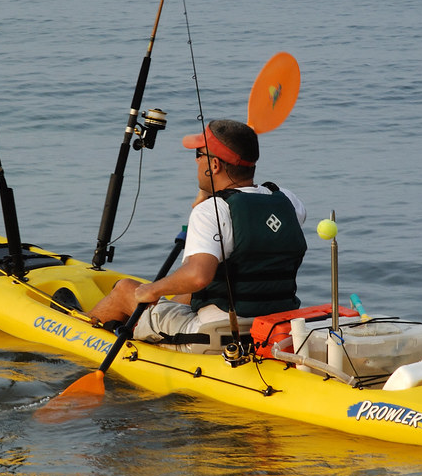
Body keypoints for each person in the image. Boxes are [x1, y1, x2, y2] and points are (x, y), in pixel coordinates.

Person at [89, 118, 307, 345]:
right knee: (190, 295)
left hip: (215, 334)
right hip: (273, 327)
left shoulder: (211, 211)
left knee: (125, 289)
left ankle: (80, 331)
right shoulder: (287, 200)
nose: (196, 162)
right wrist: (212, 194)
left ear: (214, 166)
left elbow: (198, 275)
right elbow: (251, 227)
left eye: (199, 155)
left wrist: (152, 290)